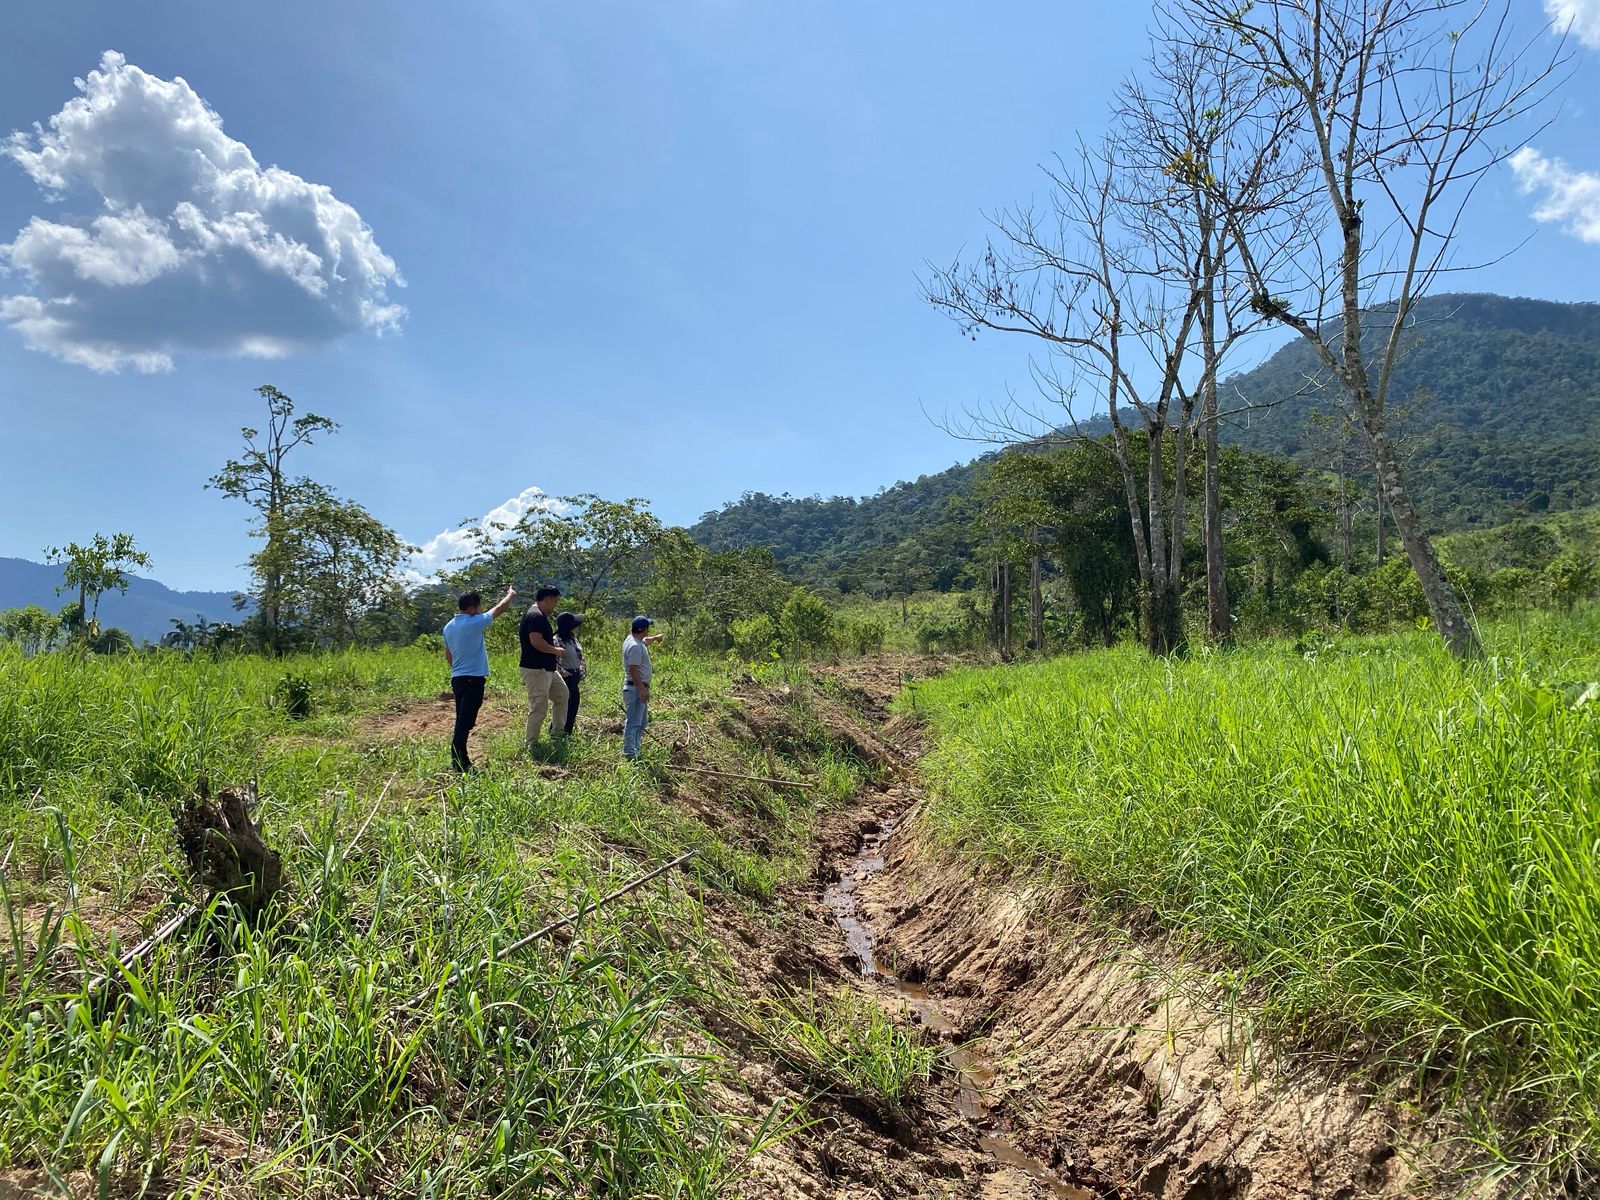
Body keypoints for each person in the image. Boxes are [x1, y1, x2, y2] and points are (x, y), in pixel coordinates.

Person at [442, 586, 516, 772]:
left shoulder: (448, 627)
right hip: (472, 680)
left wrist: (459, 670)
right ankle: (460, 761)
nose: (481, 609)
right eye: (479, 606)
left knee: (463, 719)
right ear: (472, 608)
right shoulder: (474, 622)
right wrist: (510, 595)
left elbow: (448, 656)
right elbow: (498, 609)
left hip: (458, 679)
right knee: (465, 722)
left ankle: (459, 758)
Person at [519, 586, 569, 750]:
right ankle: (531, 743)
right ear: (547, 599)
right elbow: (536, 641)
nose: (555, 605)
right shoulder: (536, 616)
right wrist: (556, 650)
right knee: (539, 706)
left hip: (547, 669)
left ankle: (557, 734)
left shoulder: (539, 615)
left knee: (562, 695)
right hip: (536, 669)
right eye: (555, 601)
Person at [622, 614, 661, 760]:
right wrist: (642, 689)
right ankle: (630, 753)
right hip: (636, 688)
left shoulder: (633, 640)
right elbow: (633, 669)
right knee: (633, 722)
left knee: (642, 722)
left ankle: (635, 749)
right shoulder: (635, 646)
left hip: (635, 687)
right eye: (648, 628)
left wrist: (655, 638)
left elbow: (645, 641)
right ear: (644, 629)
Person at [555, 611, 586, 735]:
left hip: (574, 677)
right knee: (564, 706)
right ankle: (557, 732)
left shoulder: (573, 639)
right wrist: (563, 672)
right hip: (566, 678)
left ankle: (567, 733)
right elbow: (552, 660)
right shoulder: (557, 640)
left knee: (573, 706)